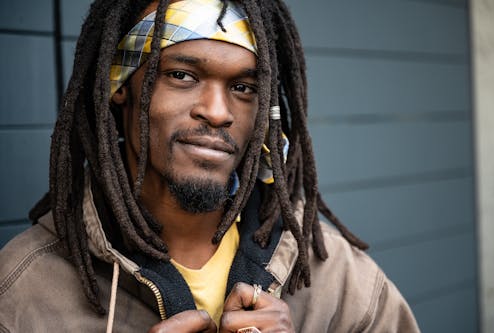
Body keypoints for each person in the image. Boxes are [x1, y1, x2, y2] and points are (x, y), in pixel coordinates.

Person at [0, 0, 420, 332]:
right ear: (120, 86)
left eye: (243, 87)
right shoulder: (24, 289)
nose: (218, 112)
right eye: (182, 76)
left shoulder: (341, 281)